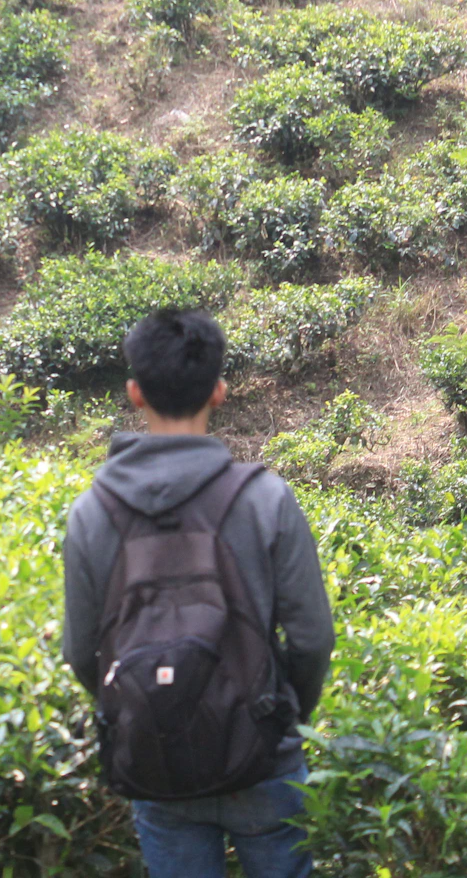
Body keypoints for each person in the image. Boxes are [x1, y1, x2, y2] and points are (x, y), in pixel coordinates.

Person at [63, 308, 335, 878]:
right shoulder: (265, 500)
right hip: (264, 756)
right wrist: (280, 719)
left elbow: (80, 651)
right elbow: (312, 639)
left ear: (135, 393)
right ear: (220, 390)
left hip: (156, 763)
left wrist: (147, 707)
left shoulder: (91, 512)